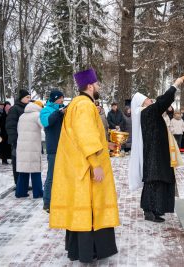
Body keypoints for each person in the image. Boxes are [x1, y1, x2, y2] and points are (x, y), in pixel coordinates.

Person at [50, 68, 119, 263]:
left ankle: (83, 249)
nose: (98, 86)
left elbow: (83, 135)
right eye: (97, 84)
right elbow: (86, 137)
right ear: (89, 85)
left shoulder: (78, 104)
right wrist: (96, 164)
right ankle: (91, 251)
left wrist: (106, 144)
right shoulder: (84, 106)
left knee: (84, 210)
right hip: (86, 168)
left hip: (80, 165)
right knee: (91, 209)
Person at [128, 77, 184, 223]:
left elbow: (160, 104)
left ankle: (156, 209)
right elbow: (162, 102)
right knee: (154, 180)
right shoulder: (146, 112)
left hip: (157, 151)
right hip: (154, 153)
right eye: (147, 98)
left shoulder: (146, 112)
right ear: (142, 102)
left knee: (158, 180)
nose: (149, 100)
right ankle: (149, 210)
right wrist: (174, 85)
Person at [40, 90, 65, 212]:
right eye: (60, 98)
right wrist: (59, 113)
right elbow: (46, 122)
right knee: (51, 176)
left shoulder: (63, 110)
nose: (62, 100)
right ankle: (47, 202)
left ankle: (61, 200)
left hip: (65, 148)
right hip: (53, 148)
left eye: (62, 98)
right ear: (54, 98)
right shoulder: (46, 110)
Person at [15, 101, 44, 198]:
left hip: (22, 145)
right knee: (35, 170)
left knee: (24, 170)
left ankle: (20, 192)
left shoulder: (22, 116)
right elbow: (43, 126)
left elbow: (18, 130)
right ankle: (38, 193)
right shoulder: (37, 115)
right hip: (33, 146)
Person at [6, 89, 31, 184]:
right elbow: (10, 125)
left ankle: (24, 184)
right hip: (17, 140)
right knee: (17, 162)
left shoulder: (28, 108)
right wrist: (14, 140)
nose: (29, 99)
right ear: (21, 98)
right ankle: (18, 183)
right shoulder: (15, 109)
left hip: (26, 140)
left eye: (29, 97)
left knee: (25, 163)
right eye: (27, 97)